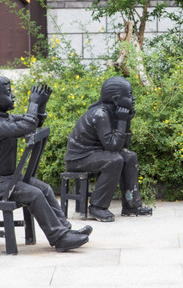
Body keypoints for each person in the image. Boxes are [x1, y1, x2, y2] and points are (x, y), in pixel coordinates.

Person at [0, 75, 92, 252]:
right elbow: (27, 126)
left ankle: (64, 229)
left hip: (4, 179)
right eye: (9, 93)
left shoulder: (5, 119)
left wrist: (40, 104)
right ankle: (59, 238)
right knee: (34, 194)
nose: (13, 97)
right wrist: (33, 103)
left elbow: (34, 122)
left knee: (44, 189)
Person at [65, 76, 152, 222]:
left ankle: (131, 205)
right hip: (79, 158)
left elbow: (123, 146)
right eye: (129, 95)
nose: (134, 98)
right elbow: (112, 146)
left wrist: (126, 120)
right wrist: (123, 121)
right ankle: (97, 207)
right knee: (114, 160)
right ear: (116, 99)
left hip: (96, 152)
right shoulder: (101, 114)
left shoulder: (115, 112)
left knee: (129, 156)